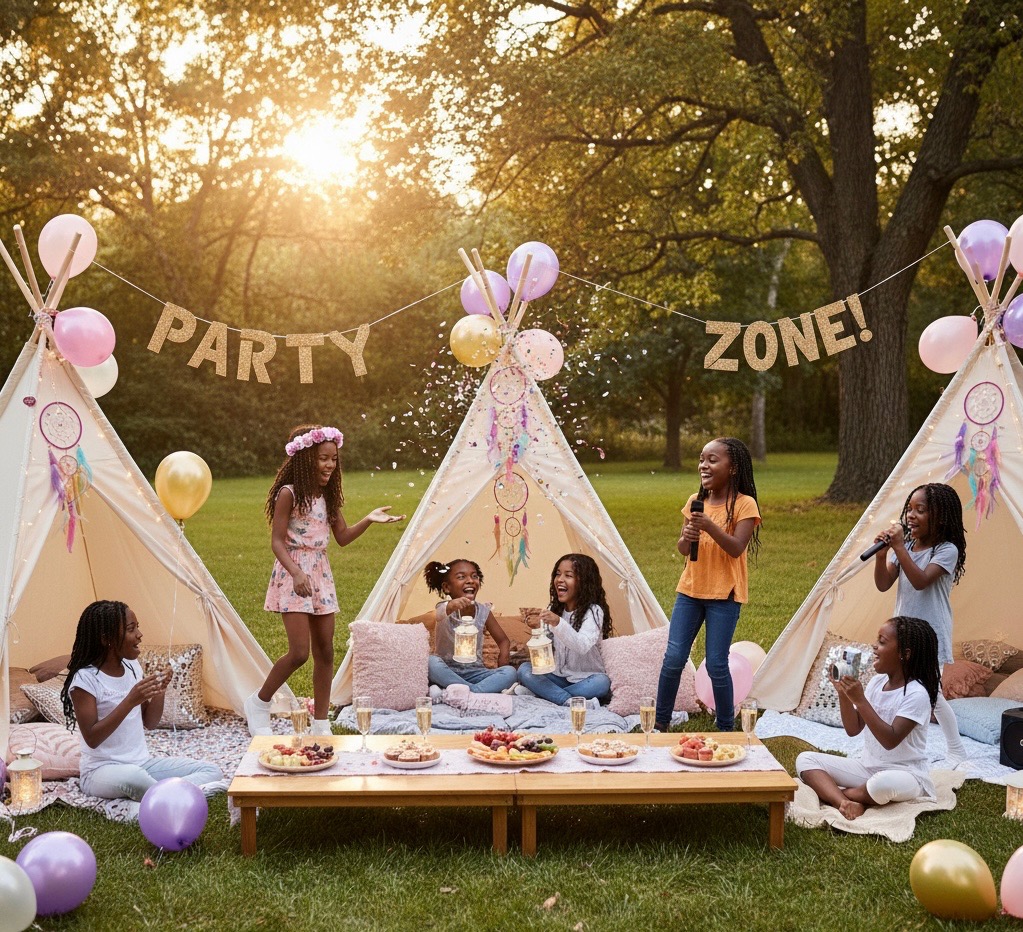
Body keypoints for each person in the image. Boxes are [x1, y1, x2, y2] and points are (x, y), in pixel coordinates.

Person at [245, 424, 404, 737]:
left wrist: (369, 520)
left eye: (334, 459)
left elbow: (342, 537)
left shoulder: (329, 496)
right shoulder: (288, 494)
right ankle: (259, 702)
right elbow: (277, 541)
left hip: (320, 574)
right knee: (300, 652)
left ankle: (320, 723)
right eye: (323, 459)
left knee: (326, 652)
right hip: (293, 573)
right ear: (306, 459)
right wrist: (295, 572)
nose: (330, 465)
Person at [59, 600, 227, 805]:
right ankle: (181, 794)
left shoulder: (131, 666)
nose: (139, 634)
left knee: (211, 771)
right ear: (107, 639)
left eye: (137, 627)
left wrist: (160, 690)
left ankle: (165, 796)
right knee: (136, 779)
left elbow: (150, 722)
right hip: (100, 772)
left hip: (142, 764)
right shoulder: (85, 680)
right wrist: (130, 701)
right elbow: (92, 738)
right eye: (131, 629)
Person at [654, 437, 761, 732]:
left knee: (716, 664)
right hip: (689, 591)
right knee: (673, 658)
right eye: (702, 459)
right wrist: (687, 537)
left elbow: (737, 547)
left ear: (734, 467)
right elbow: (683, 549)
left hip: (724, 596)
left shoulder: (744, 505)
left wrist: (708, 526)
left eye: (713, 460)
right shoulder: (694, 502)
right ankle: (660, 723)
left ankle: (726, 727)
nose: (704, 465)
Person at [796, 616, 941, 819]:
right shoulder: (876, 683)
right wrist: (844, 694)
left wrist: (861, 701)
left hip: (906, 775)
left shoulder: (917, 694)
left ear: (904, 654)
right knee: (805, 759)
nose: (874, 647)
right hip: (867, 768)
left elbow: (890, 740)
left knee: (882, 784)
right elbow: (853, 729)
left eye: (882, 642)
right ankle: (846, 802)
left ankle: (836, 794)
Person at [872, 482, 967, 766]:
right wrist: (881, 555)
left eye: (920, 510)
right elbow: (883, 584)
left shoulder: (946, 550)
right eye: (909, 509)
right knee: (908, 689)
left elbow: (921, 580)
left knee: (932, 695)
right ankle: (904, 746)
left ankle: (957, 750)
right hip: (904, 634)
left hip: (930, 634)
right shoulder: (908, 546)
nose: (911, 516)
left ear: (939, 516)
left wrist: (900, 548)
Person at [516, 553, 613, 709]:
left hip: (586, 679)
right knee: (524, 670)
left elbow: (582, 646)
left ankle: (542, 695)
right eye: (558, 574)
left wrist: (557, 622)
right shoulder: (553, 609)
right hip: (558, 676)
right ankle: (568, 701)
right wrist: (539, 637)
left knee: (603, 682)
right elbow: (545, 648)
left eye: (568, 575)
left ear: (584, 582)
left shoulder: (593, 611)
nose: (560, 579)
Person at [425, 559, 517, 696]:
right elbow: (438, 614)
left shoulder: (484, 611)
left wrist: (503, 660)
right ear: (446, 587)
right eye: (461, 577)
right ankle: (476, 692)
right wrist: (452, 605)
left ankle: (465, 692)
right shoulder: (444, 608)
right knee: (431, 662)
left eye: (474, 576)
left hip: (476, 672)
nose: (470, 580)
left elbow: (503, 641)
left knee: (510, 672)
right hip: (447, 671)